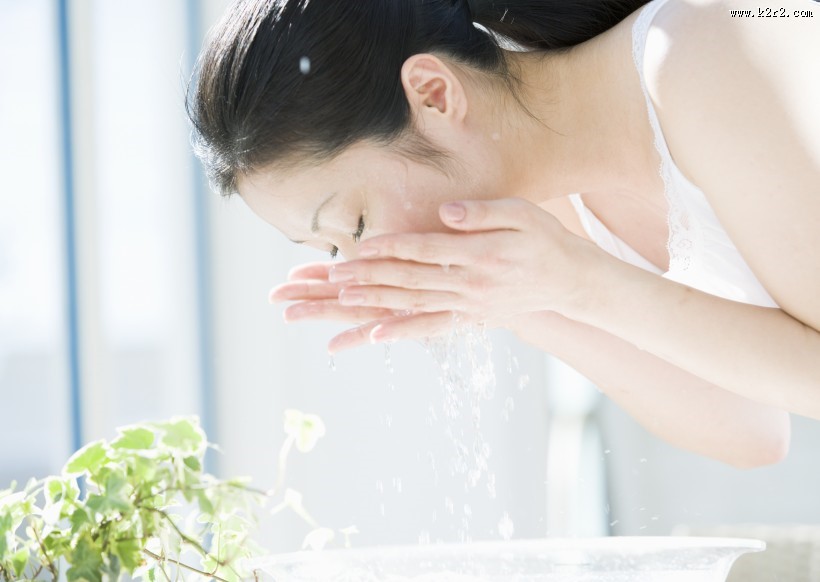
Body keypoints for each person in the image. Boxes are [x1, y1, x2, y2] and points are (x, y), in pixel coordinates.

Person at [187, 0, 820, 468]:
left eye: (355, 224)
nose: (368, 264)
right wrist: (528, 302)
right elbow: (750, 429)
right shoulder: (552, 210)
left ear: (434, 95)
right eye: (332, 251)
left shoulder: (695, 57)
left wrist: (587, 284)